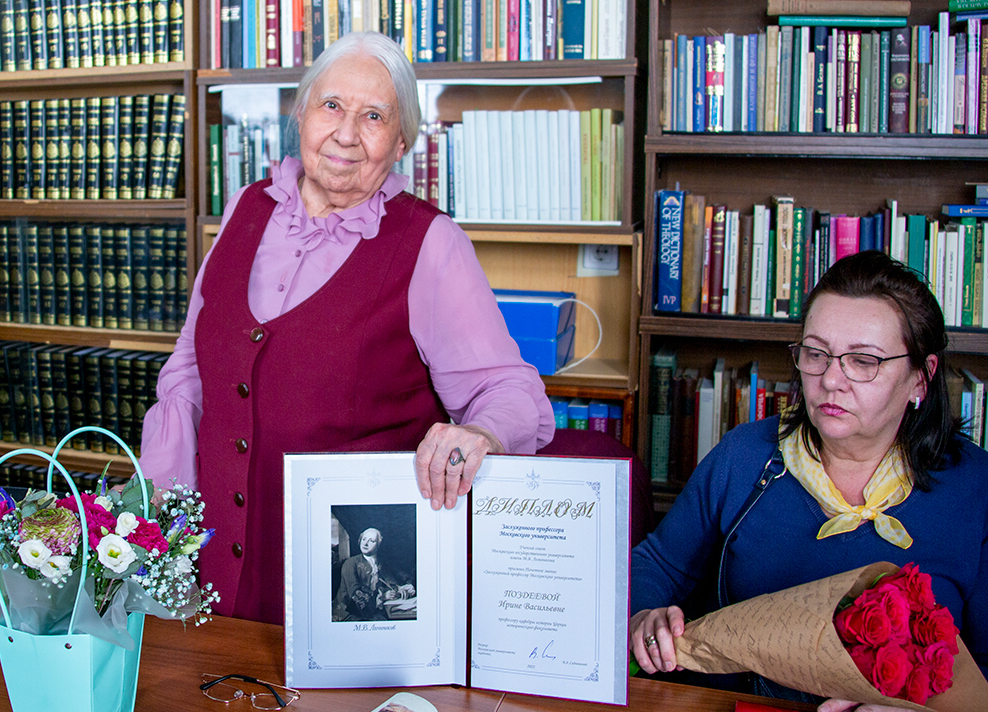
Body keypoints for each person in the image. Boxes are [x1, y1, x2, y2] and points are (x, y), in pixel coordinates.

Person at [138, 31, 554, 624]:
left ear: (401, 141)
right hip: (211, 567)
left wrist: (480, 435)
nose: (346, 133)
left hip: (341, 595)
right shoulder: (244, 208)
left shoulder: (429, 243)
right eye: (331, 105)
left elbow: (510, 391)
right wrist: (161, 533)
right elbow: (188, 371)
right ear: (302, 111)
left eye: (374, 116)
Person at [629, 251, 988, 708]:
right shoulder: (746, 456)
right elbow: (657, 564)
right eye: (816, 354)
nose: (832, 380)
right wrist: (644, 615)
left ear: (921, 377)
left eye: (863, 361)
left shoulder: (976, 487)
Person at [333, 527, 415, 621]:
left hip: (373, 610)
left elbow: (390, 583)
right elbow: (356, 594)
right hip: (348, 612)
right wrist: (383, 596)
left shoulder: (381, 563)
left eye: (371, 541)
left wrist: (400, 589)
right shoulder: (351, 563)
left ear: (378, 545)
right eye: (364, 539)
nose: (365, 543)